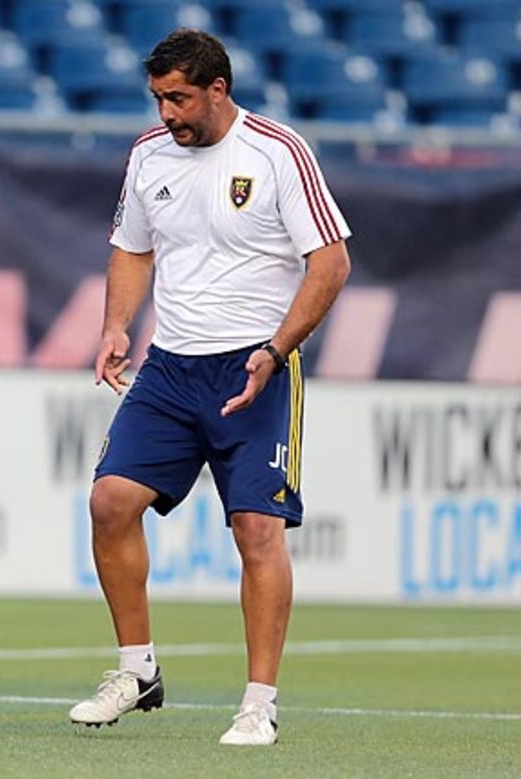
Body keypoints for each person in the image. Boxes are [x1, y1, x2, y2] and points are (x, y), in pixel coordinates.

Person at [68, 29, 351, 746]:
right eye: (159, 98)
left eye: (180, 98)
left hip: (254, 365)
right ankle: (137, 670)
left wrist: (276, 347)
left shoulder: (276, 153)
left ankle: (259, 701)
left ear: (217, 89)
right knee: (110, 501)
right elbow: (133, 248)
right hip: (170, 366)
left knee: (256, 529)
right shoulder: (147, 156)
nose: (167, 113)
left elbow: (331, 263)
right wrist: (115, 326)